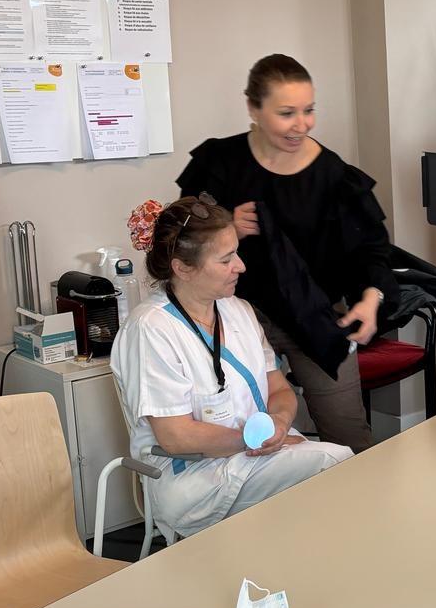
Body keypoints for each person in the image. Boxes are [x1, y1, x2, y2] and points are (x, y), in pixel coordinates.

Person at [176, 55, 398, 454]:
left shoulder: (333, 175)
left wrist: (370, 298)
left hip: (316, 315)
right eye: (286, 113)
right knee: (243, 432)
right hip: (236, 317)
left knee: (348, 433)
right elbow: (184, 236)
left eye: (308, 110)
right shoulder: (221, 163)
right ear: (253, 109)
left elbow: (371, 248)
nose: (302, 124)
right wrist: (227, 225)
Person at [111, 197, 352, 542]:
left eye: (236, 253)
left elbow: (279, 389)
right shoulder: (150, 330)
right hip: (194, 478)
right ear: (183, 268)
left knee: (333, 480)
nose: (241, 266)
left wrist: (279, 423)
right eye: (226, 260)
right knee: (335, 462)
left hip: (258, 458)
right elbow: (176, 437)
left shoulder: (238, 311)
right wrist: (254, 440)